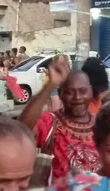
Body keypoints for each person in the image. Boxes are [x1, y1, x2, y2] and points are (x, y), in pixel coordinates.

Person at [19, 55, 99, 184]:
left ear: (91, 92)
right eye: (70, 92)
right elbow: (19, 130)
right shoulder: (50, 122)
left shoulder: (102, 124)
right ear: (60, 94)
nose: (77, 97)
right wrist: (50, 85)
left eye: (83, 91)